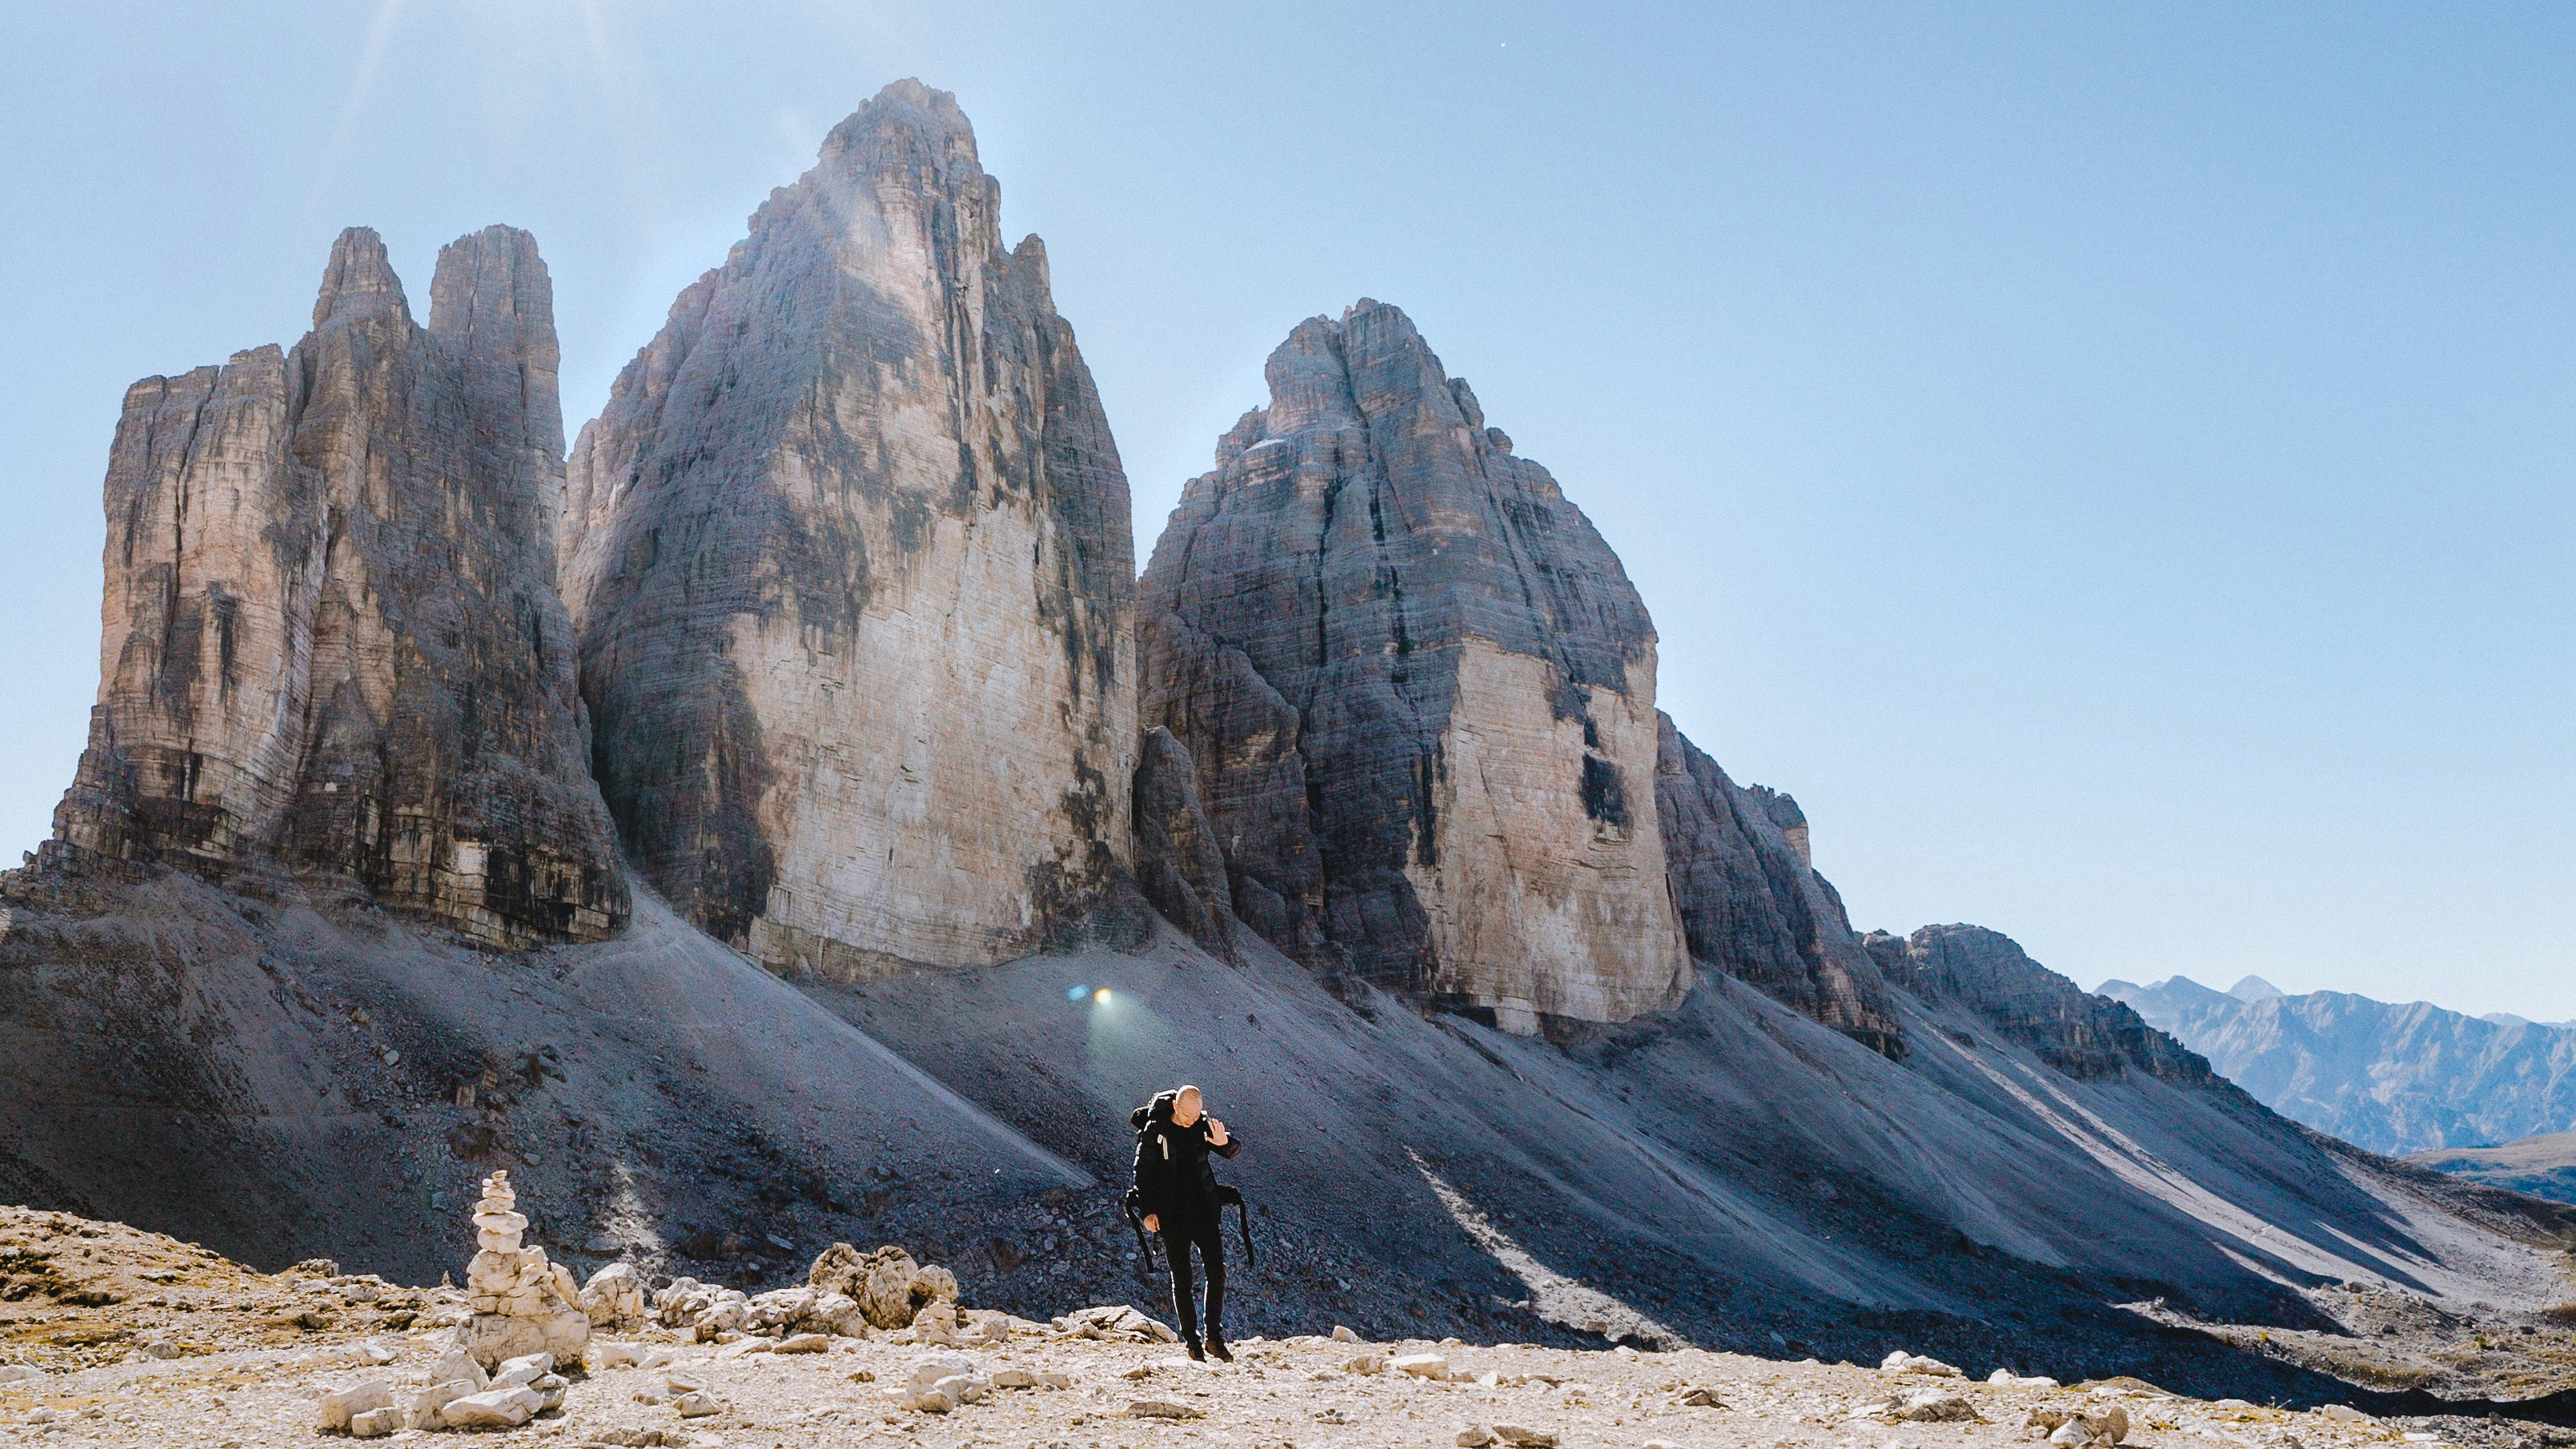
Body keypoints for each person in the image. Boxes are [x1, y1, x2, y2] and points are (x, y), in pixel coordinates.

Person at [1130, 1083, 1242, 1361]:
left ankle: (1213, 1338)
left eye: (1197, 1116)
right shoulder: (1156, 1130)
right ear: (1176, 1107)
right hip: (1172, 1216)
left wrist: (1223, 1143)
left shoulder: (1201, 1125)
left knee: (1217, 1271)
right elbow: (1141, 1172)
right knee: (1182, 1278)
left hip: (1204, 1211)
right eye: (1187, 1116)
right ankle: (1192, 1341)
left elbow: (1233, 1150)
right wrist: (1147, 1212)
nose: (1192, 1121)